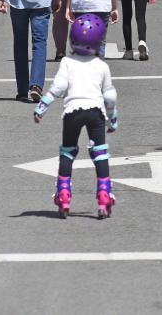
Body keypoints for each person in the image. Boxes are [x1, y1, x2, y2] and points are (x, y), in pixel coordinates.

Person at [33, 14, 119, 219]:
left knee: (68, 152)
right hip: (95, 112)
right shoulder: (101, 66)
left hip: (72, 112)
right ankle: (104, 195)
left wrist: (42, 106)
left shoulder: (67, 62)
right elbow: (109, 96)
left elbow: (59, 87)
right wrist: (113, 118)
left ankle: (63, 194)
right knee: (99, 152)